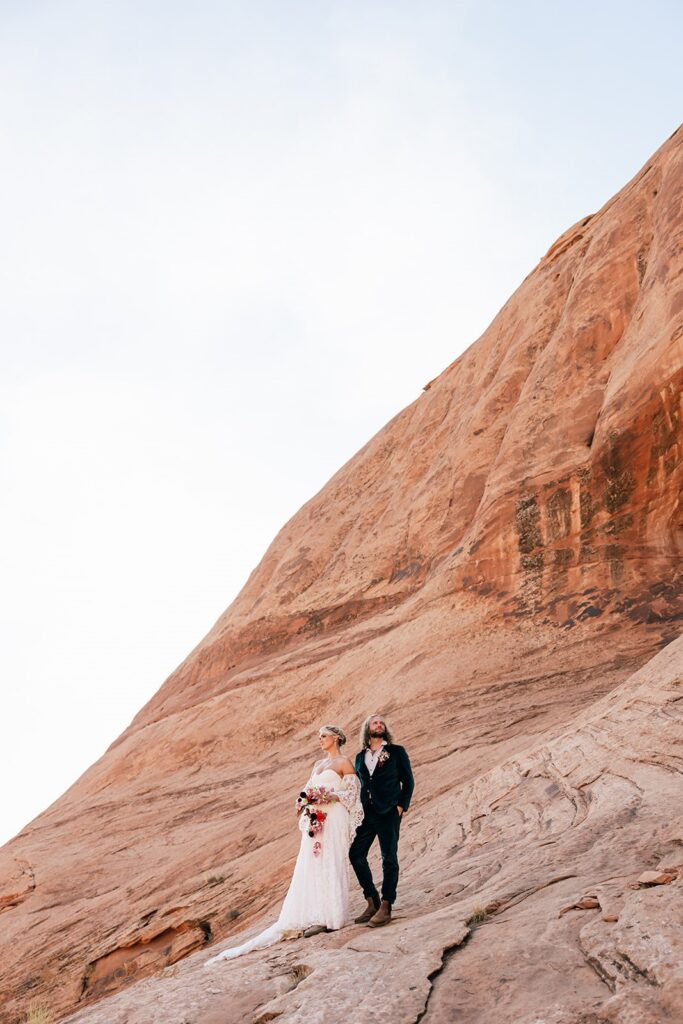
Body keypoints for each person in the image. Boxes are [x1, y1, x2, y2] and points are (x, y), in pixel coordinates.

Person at [205, 724, 363, 963]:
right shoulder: (318, 766)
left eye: (323, 736)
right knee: (313, 864)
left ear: (336, 738)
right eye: (319, 737)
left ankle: (332, 917)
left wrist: (330, 796)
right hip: (316, 818)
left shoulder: (344, 763)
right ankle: (317, 916)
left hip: (334, 817)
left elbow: (352, 793)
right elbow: (307, 790)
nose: (320, 740)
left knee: (331, 860)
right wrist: (304, 802)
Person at [349, 713, 414, 928]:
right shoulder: (360, 757)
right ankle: (372, 900)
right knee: (356, 854)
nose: (379, 724)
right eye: (375, 722)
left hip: (388, 812)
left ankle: (387, 905)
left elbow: (408, 781)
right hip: (367, 813)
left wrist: (400, 807)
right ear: (367, 729)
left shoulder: (396, 752)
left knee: (388, 858)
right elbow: (359, 784)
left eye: (381, 722)